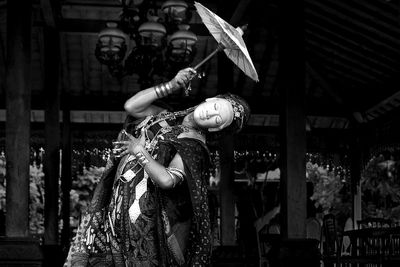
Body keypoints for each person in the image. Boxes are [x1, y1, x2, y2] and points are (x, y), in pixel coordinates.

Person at [64, 68, 250, 267]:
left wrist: (139, 151)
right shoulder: (168, 117)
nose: (211, 113)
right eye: (216, 106)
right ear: (210, 99)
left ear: (216, 128)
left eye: (218, 118)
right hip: (116, 208)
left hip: (145, 227)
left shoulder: (195, 147)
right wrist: (171, 85)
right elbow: (132, 106)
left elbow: (168, 180)